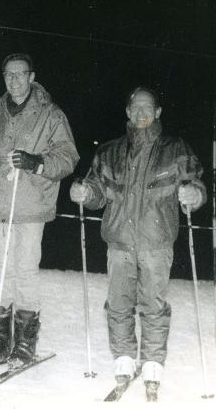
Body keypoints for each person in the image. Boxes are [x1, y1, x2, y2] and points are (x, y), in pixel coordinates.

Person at [69, 86, 206, 391]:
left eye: (148, 108)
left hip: (156, 241)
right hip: (119, 241)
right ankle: (124, 357)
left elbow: (195, 183)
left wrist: (193, 195)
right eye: (136, 108)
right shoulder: (109, 152)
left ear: (158, 113)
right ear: (128, 112)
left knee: (153, 303)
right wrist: (84, 192)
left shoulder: (176, 149)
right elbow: (97, 190)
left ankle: (153, 362)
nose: (142, 113)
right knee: (118, 302)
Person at [0, 53, 79, 367]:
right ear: (3, 78)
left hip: (31, 203)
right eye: (8, 75)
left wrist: (37, 162)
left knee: (26, 269)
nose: (14, 80)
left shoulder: (51, 114)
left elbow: (68, 156)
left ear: (32, 76)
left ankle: (26, 341)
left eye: (20, 74)